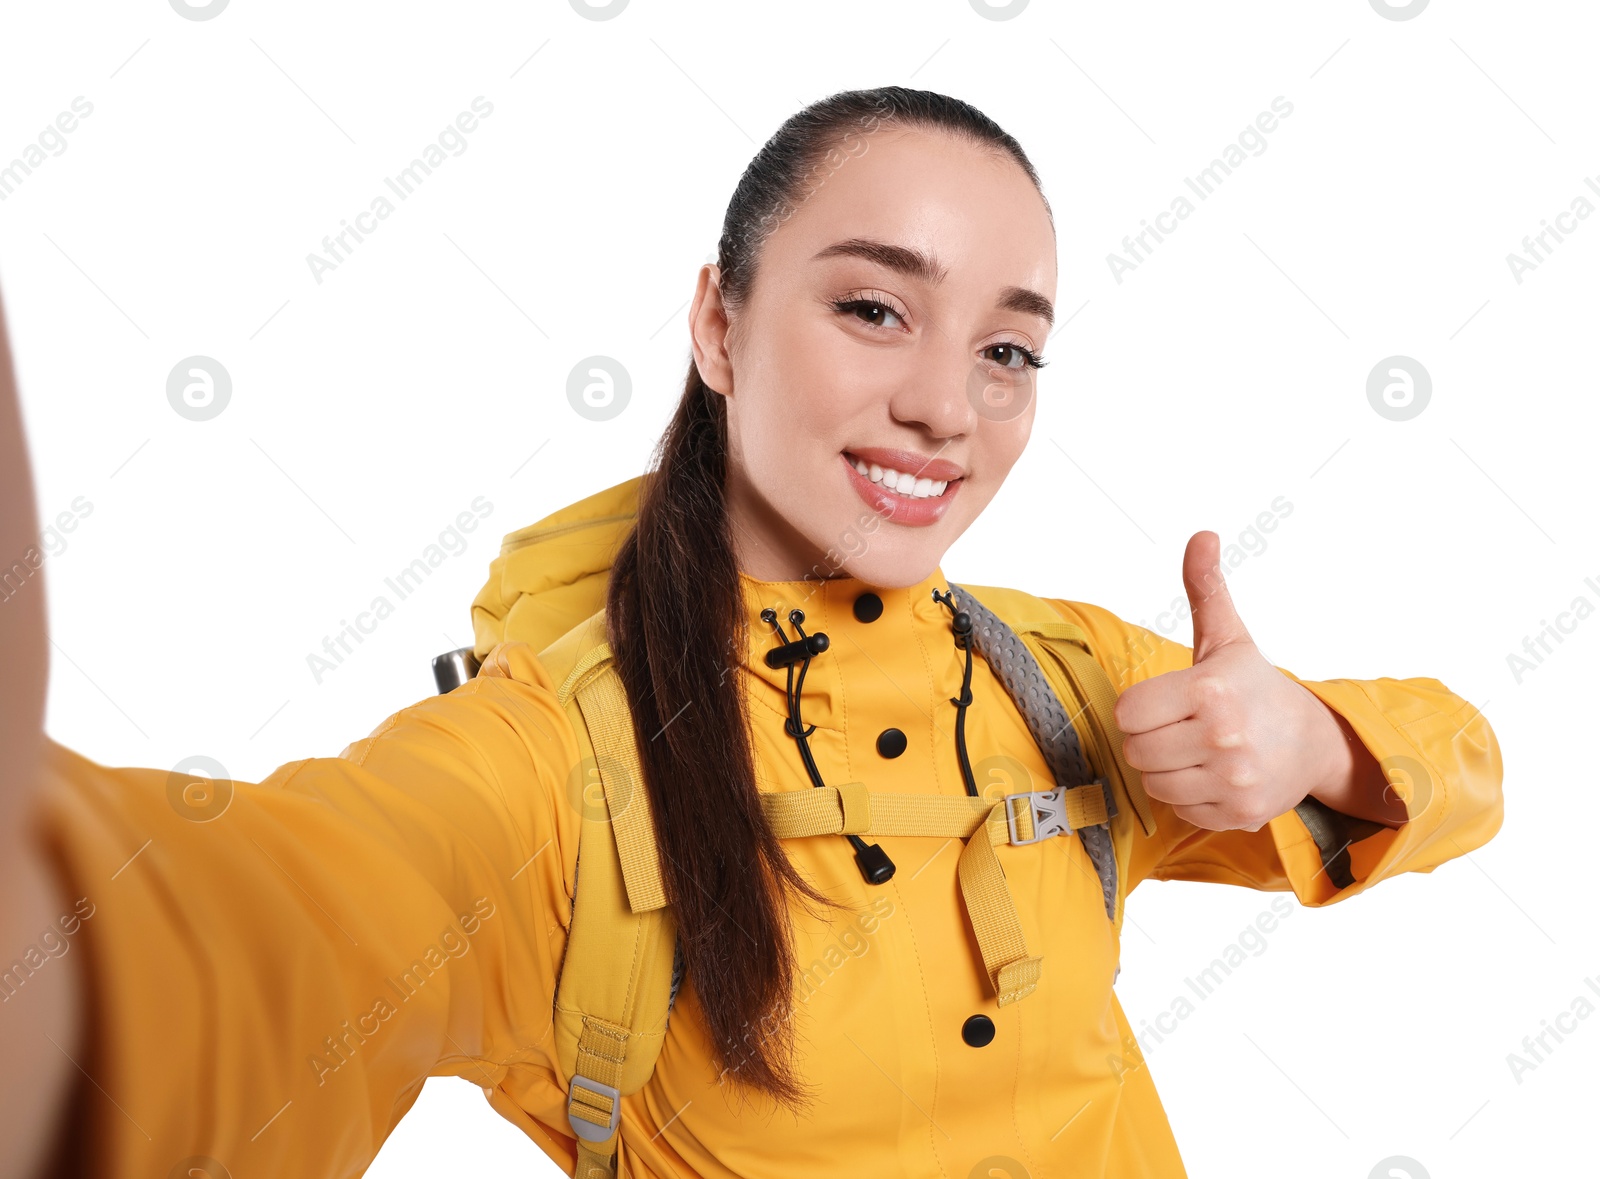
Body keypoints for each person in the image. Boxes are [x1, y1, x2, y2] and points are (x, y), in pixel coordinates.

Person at [0, 86, 1502, 1179]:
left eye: (1008, 350)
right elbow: (239, 937)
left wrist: (1311, 735)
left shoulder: (1063, 677)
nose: (945, 405)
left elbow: (1475, 766)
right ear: (719, 325)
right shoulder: (547, 768)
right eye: (872, 309)